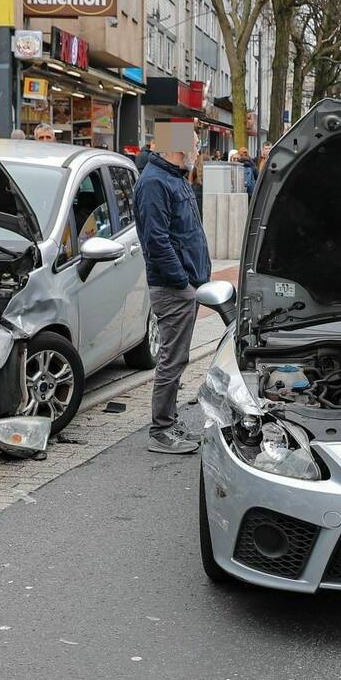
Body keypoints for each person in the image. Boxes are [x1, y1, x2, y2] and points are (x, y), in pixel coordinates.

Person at [133, 127, 211, 455]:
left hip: (183, 284)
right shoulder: (155, 182)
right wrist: (181, 282)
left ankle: (169, 422)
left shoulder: (173, 177)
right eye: (194, 144)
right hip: (173, 288)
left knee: (177, 358)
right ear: (177, 147)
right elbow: (156, 240)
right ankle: (161, 430)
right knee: (172, 358)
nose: (198, 148)